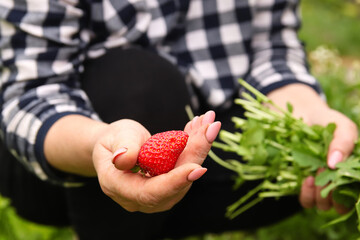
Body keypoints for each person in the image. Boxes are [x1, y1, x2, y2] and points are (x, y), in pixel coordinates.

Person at [0, 0, 357, 239]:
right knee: (141, 83)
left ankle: (148, 214)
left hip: (202, 140)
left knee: (291, 169)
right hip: (70, 147)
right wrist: (98, 143)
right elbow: (34, 91)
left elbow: (273, 48)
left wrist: (311, 116)